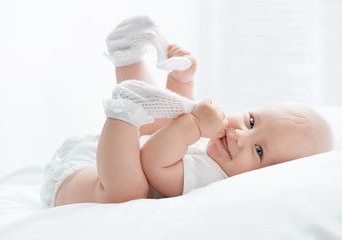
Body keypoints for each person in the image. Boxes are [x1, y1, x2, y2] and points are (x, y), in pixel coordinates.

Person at [40, 15, 334, 208]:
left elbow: (154, 159)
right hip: (98, 157)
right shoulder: (222, 154)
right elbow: (171, 130)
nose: (240, 134)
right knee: (162, 124)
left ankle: (125, 104)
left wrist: (194, 124)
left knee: (126, 195)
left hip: (77, 183)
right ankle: (128, 57)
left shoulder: (216, 178)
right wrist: (183, 81)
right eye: (252, 121)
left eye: (258, 151)